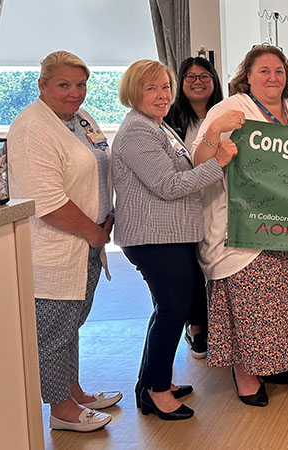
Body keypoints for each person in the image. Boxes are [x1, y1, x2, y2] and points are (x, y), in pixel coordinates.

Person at [191, 45, 288, 406]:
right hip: (246, 230)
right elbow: (198, 160)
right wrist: (217, 131)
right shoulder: (230, 109)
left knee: (286, 302)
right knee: (254, 304)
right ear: (247, 77)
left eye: (279, 71)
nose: (272, 78)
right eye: (263, 71)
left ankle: (273, 362)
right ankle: (246, 373)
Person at [112, 59, 236, 420]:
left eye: (165, 87)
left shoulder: (158, 126)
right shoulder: (138, 131)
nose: (162, 95)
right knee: (173, 311)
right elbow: (169, 185)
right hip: (154, 238)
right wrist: (220, 164)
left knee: (167, 311)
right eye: (151, 88)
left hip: (170, 236)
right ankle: (157, 391)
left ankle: (151, 381)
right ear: (134, 92)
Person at [7, 50, 120, 432]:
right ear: (42, 85)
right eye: (64, 85)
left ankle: (74, 391)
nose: (75, 93)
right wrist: (93, 231)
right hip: (56, 249)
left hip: (88, 243)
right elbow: (45, 201)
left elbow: (99, 167)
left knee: (71, 326)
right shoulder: (31, 128)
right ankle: (60, 410)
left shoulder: (80, 119)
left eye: (81, 84)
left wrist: (103, 224)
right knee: (53, 334)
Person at [163, 56, 224, 360]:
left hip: (219, 200)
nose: (198, 82)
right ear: (180, 83)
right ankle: (198, 325)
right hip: (184, 206)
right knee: (190, 272)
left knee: (216, 266)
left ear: (214, 80)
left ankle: (221, 327)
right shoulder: (168, 119)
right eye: (191, 77)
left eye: (204, 76)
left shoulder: (225, 114)